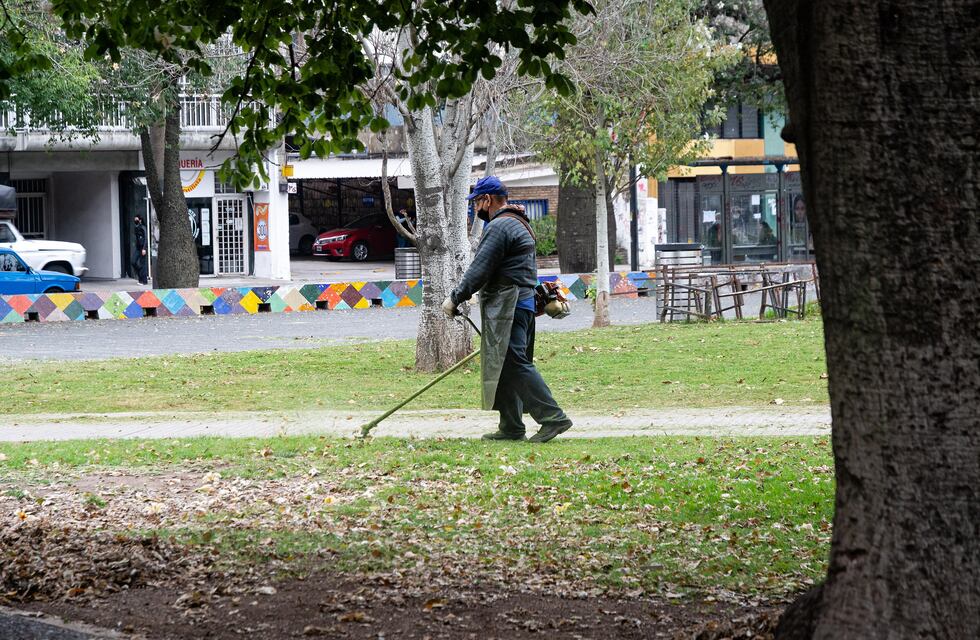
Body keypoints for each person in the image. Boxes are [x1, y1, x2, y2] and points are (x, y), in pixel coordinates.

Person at [442, 176, 572, 443]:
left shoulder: (500, 227)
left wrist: (455, 298)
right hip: (521, 305)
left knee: (513, 363)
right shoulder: (521, 223)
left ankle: (553, 417)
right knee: (506, 365)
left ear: (487, 200)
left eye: (477, 202)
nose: (475, 208)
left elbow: (480, 269)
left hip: (509, 306)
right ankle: (511, 427)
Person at [132, 215, 148, 285]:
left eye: (137, 219)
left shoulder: (143, 227)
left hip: (142, 248)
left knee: (143, 264)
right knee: (133, 261)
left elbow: (146, 238)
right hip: (138, 248)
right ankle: (140, 275)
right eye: (134, 220)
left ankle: (144, 281)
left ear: (140, 220)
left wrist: (144, 248)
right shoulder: (136, 228)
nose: (135, 221)